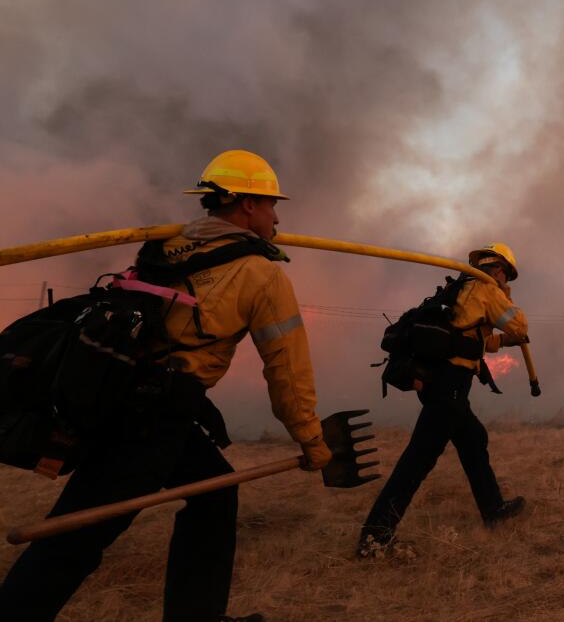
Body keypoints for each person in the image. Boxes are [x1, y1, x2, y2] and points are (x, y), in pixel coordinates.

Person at [0, 149, 331, 622]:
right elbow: (287, 370)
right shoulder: (260, 275)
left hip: (132, 397)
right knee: (75, 537)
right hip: (148, 422)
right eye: (272, 205)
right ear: (248, 205)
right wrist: (312, 440)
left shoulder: (168, 246)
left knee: (214, 493)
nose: (277, 218)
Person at [359, 242, 529, 556]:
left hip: (441, 381)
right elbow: (519, 325)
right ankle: (375, 537)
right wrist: (504, 294)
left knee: (474, 439)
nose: (506, 280)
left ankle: (493, 509)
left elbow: (468, 338)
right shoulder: (488, 289)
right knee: (418, 459)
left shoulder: (462, 289)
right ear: (500, 270)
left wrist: (501, 342)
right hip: (449, 383)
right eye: (507, 276)